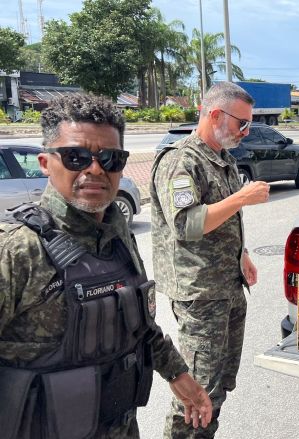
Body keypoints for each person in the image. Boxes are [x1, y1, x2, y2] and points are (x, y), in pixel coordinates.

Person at [0, 93, 212, 439]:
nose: (95, 169)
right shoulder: (18, 250)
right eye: (75, 157)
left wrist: (180, 377)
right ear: (44, 162)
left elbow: (139, 324)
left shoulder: (117, 235)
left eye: (110, 158)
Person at [150, 82, 270, 438]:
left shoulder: (223, 160)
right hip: (200, 294)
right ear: (215, 114)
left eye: (248, 124)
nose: (245, 131)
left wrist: (242, 254)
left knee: (219, 383)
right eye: (241, 123)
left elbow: (223, 221)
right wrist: (243, 197)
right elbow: (186, 223)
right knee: (197, 387)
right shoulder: (181, 160)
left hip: (227, 286)